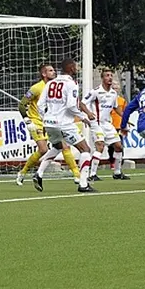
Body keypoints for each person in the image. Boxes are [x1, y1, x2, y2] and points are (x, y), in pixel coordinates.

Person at [35, 58, 96, 193]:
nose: (76, 68)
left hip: (49, 122)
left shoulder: (50, 83)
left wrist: (44, 119)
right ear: (69, 68)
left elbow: (40, 105)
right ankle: (83, 183)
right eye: (74, 66)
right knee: (85, 150)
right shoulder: (71, 84)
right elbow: (70, 106)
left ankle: (39, 173)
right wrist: (83, 117)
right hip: (64, 123)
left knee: (57, 147)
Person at [16, 64, 82, 186]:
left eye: (54, 70)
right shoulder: (37, 88)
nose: (54, 72)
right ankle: (23, 172)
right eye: (50, 71)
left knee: (64, 147)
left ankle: (77, 175)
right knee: (43, 150)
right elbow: (22, 104)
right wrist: (27, 120)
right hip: (36, 122)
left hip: (51, 122)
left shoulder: (56, 86)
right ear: (44, 74)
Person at [82, 68, 130, 181]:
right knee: (100, 146)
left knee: (118, 146)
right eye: (107, 75)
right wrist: (88, 113)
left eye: (111, 75)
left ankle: (117, 172)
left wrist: (125, 118)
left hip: (107, 124)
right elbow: (82, 103)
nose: (110, 78)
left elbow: (116, 107)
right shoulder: (96, 91)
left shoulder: (113, 93)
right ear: (103, 78)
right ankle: (92, 174)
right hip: (96, 123)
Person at [109, 81, 127, 171]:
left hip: (119, 125)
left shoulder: (122, 100)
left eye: (116, 88)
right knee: (111, 146)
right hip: (110, 125)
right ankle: (112, 162)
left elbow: (124, 112)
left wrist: (125, 122)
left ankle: (119, 164)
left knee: (120, 144)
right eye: (114, 88)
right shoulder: (108, 99)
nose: (115, 89)